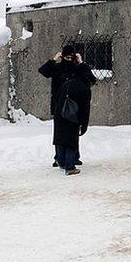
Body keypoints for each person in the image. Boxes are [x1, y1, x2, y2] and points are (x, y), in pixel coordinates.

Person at [38, 45, 96, 175]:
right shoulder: (58, 68)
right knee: (63, 134)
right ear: (62, 56)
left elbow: (91, 79)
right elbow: (43, 71)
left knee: (69, 133)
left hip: (72, 106)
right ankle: (61, 159)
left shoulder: (77, 69)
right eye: (67, 57)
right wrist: (53, 60)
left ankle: (71, 158)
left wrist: (81, 63)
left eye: (71, 57)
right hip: (60, 106)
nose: (69, 59)